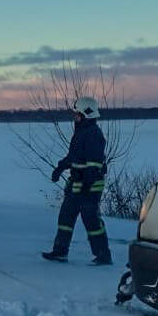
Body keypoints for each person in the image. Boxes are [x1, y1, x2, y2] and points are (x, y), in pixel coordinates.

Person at [42, 97, 113, 265]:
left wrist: (87, 183)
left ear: (85, 114)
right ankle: (60, 251)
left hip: (90, 186)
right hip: (76, 184)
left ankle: (103, 255)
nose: (74, 117)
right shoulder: (81, 132)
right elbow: (74, 157)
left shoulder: (94, 134)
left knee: (91, 220)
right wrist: (60, 168)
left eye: (77, 114)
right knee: (66, 217)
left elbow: (94, 163)